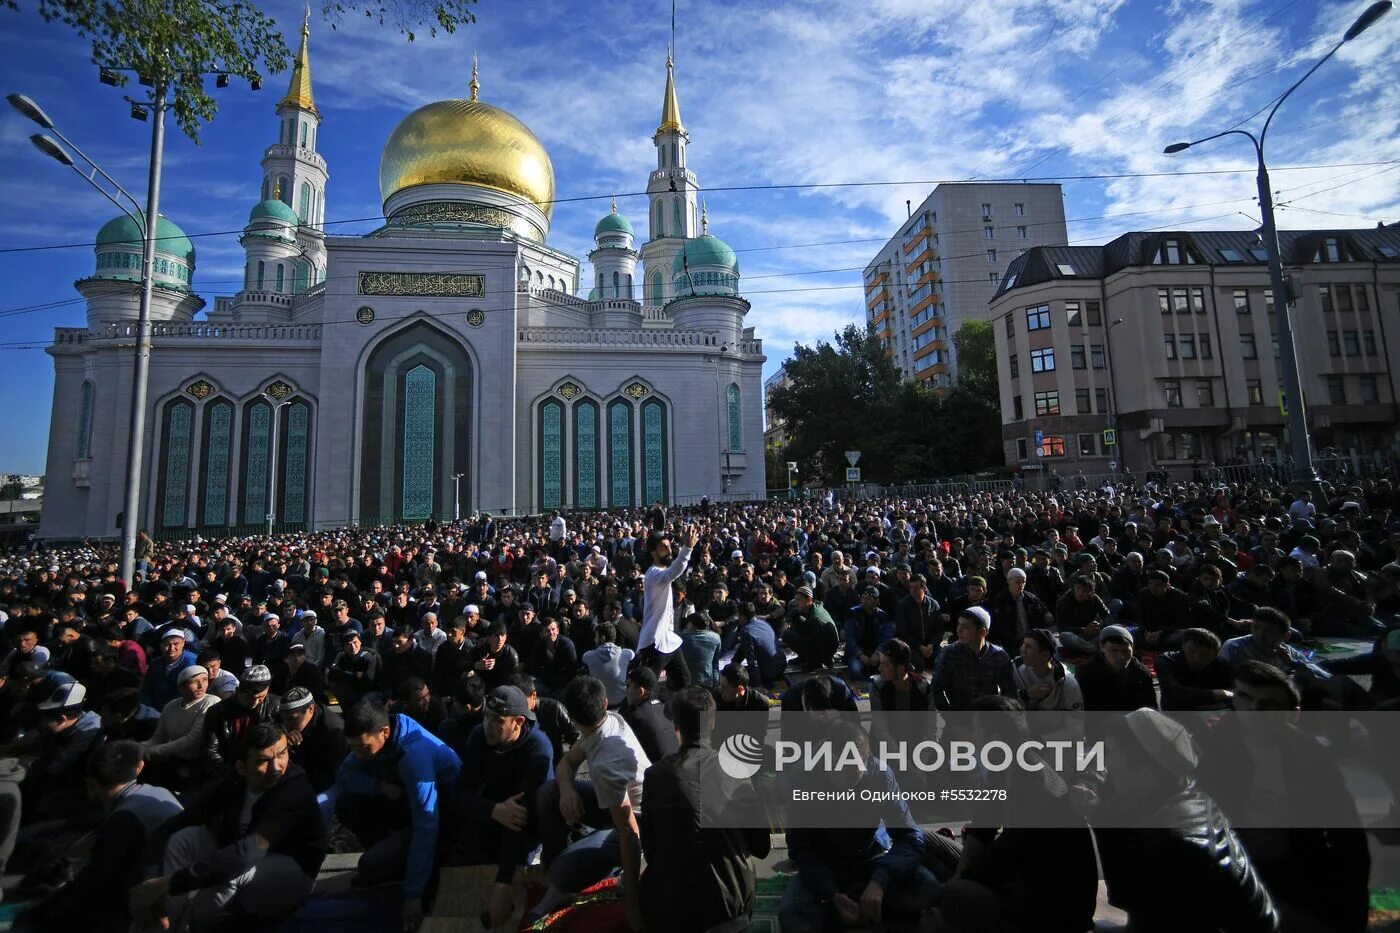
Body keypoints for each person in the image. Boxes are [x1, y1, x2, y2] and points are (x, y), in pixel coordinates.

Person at [1197, 660, 1370, 932]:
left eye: (1268, 705)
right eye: (1244, 697)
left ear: (1293, 713)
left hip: (1295, 870)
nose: (1252, 711)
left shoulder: (1311, 755)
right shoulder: (1211, 749)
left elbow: (1347, 830)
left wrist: (1351, 902)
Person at [1086, 710, 1280, 933]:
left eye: (1111, 754)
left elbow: (1139, 905)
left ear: (1146, 773)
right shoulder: (1183, 791)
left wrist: (1102, 821)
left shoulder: (1172, 843)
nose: (1105, 763)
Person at [129, 723, 327, 931]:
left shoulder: (294, 789)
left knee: (230, 872)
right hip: (241, 860)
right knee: (185, 839)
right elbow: (180, 821)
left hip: (293, 874)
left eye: (282, 754)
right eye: (263, 761)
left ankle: (192, 925)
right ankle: (165, 919)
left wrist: (169, 883)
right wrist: (152, 883)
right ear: (241, 767)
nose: (277, 767)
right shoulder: (234, 783)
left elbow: (246, 854)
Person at [780, 720, 941, 933]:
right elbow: (800, 847)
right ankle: (860, 909)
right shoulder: (804, 780)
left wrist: (880, 882)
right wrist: (831, 893)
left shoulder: (881, 776)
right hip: (826, 864)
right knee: (791, 913)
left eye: (853, 771)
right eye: (838, 770)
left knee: (928, 888)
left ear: (866, 759)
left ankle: (857, 908)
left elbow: (909, 836)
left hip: (871, 858)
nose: (845, 780)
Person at [638, 687, 772, 933]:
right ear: (713, 723)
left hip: (673, 908)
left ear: (675, 725)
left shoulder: (656, 776)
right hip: (731, 906)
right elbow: (761, 847)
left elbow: (650, 848)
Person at [15, 741, 182, 933]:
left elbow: (96, 880)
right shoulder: (157, 792)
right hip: (169, 884)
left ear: (91, 784)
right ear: (138, 769)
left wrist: (44, 913)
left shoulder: (124, 819)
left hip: (151, 898)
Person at [333, 700, 462, 931]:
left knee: (369, 867)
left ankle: (412, 870)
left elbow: (427, 826)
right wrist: (379, 786)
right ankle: (399, 857)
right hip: (405, 805)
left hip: (443, 820)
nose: (357, 754)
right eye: (352, 748)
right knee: (346, 803)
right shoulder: (377, 735)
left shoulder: (413, 757)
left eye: (362, 748)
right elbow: (344, 774)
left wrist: (413, 896)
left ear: (384, 733)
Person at [533, 676, 651, 924]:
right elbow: (567, 762)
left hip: (639, 823)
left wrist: (633, 902)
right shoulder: (607, 722)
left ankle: (576, 872)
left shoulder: (607, 763)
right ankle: (565, 867)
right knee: (548, 793)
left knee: (562, 873)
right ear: (605, 703)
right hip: (615, 805)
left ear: (573, 720)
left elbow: (630, 834)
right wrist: (567, 791)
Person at [455, 685, 554, 929]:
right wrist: (493, 810)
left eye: (498, 720)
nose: (488, 724)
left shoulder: (538, 750)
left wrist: (503, 882)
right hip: (495, 812)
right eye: (487, 715)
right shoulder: (480, 736)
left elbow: (521, 817)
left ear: (518, 722)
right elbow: (461, 793)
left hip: (528, 824)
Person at [636, 525, 700, 689]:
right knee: (645, 688)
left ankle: (674, 711)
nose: (669, 550)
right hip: (655, 642)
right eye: (663, 547)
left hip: (669, 640)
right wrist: (688, 548)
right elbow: (674, 571)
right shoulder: (653, 574)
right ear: (653, 553)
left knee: (683, 680)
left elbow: (673, 571)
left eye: (669, 546)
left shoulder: (661, 572)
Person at [143, 665, 221, 791]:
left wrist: (152, 751)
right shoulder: (170, 707)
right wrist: (140, 747)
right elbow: (159, 737)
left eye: (204, 679)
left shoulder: (211, 702)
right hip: (172, 760)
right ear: (182, 686)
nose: (201, 686)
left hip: (197, 766)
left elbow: (192, 740)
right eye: (194, 682)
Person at [201, 664, 281, 778]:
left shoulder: (276, 707)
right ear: (238, 691)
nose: (255, 702)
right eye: (249, 698)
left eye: (260, 697)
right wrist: (231, 772)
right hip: (229, 770)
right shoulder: (218, 712)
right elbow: (210, 750)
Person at [930, 607, 1016, 711]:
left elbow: (1009, 692)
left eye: (965, 627)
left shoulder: (999, 656)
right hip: (959, 718)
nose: (959, 630)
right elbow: (936, 689)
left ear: (982, 632)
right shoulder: (948, 654)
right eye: (959, 624)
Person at [1075, 624, 1157, 712]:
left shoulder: (1142, 673)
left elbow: (1151, 707)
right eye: (1114, 651)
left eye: (1125, 651)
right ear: (1102, 647)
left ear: (1132, 649)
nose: (1121, 656)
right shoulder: (1086, 673)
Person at [278, 686, 345, 794]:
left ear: (311, 709)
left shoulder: (333, 731)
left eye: (292, 719)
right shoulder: (290, 720)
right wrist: (283, 737)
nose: (287, 724)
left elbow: (329, 775)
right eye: (284, 719)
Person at [1157, 628, 1233, 711]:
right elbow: (1173, 692)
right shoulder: (1167, 660)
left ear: (1215, 655)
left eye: (1205, 654)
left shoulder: (1222, 665)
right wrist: (1215, 694)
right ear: (1183, 646)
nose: (1197, 659)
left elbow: (1236, 692)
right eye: (1192, 651)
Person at [1012, 628, 1084, 713]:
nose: (1022, 650)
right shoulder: (1014, 671)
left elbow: (1075, 720)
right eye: (1023, 644)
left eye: (1029, 647)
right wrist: (1025, 695)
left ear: (1045, 656)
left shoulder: (1067, 682)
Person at [620, 665, 679, 764]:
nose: (626, 691)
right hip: (678, 766)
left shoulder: (636, 717)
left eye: (628, 686)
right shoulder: (663, 707)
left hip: (658, 775)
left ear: (640, 691)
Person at [893, 573, 942, 672]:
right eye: (911, 588)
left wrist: (931, 645)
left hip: (930, 645)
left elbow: (939, 629)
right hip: (912, 645)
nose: (913, 591)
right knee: (917, 665)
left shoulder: (933, 605)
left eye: (916, 588)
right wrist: (920, 647)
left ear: (924, 588)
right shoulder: (903, 606)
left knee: (942, 661)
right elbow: (902, 632)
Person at [843, 587, 894, 681]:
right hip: (859, 652)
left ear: (876, 601)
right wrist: (861, 655)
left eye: (868, 599)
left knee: (888, 670)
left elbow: (887, 638)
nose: (864, 601)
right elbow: (849, 637)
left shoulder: (884, 616)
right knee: (856, 671)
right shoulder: (853, 613)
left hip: (876, 652)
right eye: (863, 598)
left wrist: (877, 653)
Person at [140, 629, 197, 711]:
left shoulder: (191, 661)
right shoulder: (156, 663)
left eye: (176, 644)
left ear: (183, 643)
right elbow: (146, 689)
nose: (171, 648)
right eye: (167, 644)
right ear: (161, 646)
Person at [870, 638, 933, 711]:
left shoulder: (923, 687)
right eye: (880, 663)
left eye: (885, 665)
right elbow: (879, 721)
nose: (879, 669)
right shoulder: (878, 686)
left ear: (901, 669)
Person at [581, 620, 634, 706]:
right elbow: (632, 654)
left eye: (596, 636)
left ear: (602, 638)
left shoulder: (588, 656)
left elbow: (584, 658)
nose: (594, 639)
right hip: (621, 703)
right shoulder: (625, 654)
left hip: (599, 704)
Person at [733, 601, 785, 688]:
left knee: (736, 674)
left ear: (742, 616)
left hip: (768, 672)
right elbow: (744, 647)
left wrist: (758, 685)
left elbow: (752, 662)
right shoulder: (764, 622)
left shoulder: (746, 631)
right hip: (781, 666)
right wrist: (734, 662)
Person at [527, 617, 578, 698]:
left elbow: (573, 670)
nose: (551, 633)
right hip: (546, 681)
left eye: (553, 629)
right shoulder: (539, 645)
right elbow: (535, 668)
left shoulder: (567, 644)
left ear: (557, 630)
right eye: (547, 630)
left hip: (564, 682)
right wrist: (548, 678)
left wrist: (560, 681)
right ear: (542, 633)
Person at [328, 629, 380, 708]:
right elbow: (332, 674)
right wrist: (355, 674)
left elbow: (368, 680)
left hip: (368, 692)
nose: (353, 647)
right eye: (349, 644)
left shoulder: (369, 656)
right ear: (344, 646)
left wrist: (343, 673)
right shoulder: (342, 656)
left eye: (355, 642)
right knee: (332, 693)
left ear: (360, 642)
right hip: (349, 690)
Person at [466, 621, 519, 691]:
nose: (500, 640)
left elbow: (512, 681)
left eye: (502, 635)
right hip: (480, 683)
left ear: (506, 637)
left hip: (500, 688)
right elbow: (462, 664)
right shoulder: (480, 647)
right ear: (488, 638)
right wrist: (476, 665)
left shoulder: (511, 656)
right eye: (496, 636)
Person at [678, 612, 722, 690]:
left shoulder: (679, 637)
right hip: (706, 683)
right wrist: (716, 686)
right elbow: (715, 665)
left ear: (691, 624)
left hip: (683, 683)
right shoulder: (715, 638)